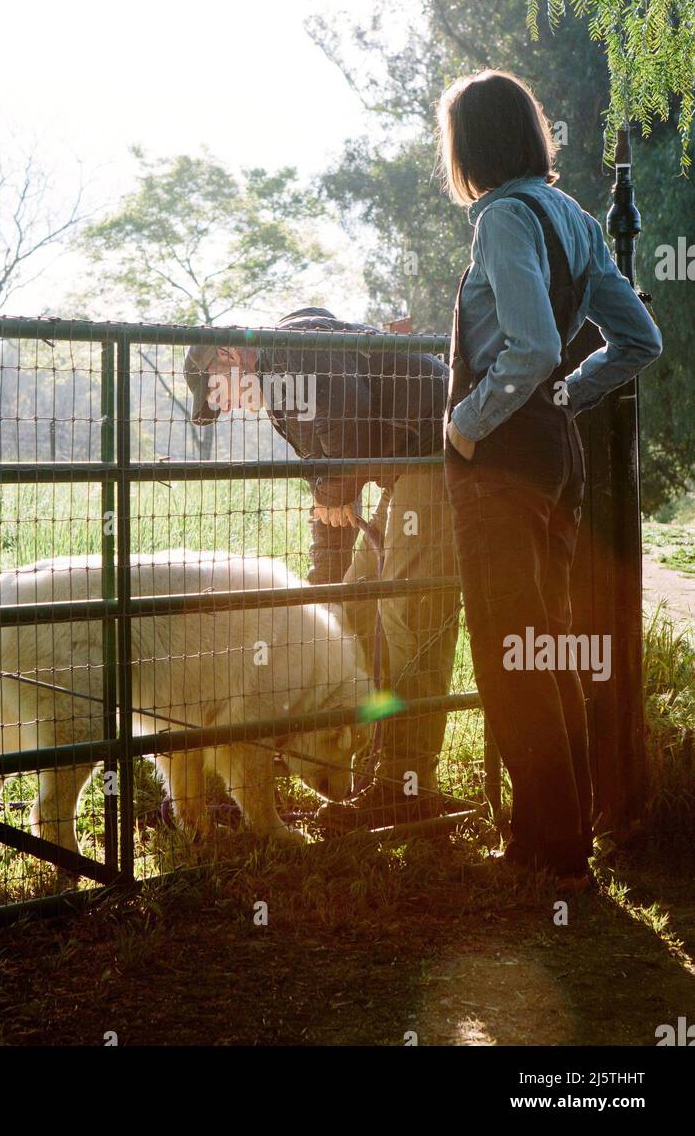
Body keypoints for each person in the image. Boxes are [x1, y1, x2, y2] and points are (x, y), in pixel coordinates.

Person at [439, 69, 662, 889]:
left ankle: (553, 855)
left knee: (511, 654)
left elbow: (528, 346)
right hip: (554, 455)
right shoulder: (571, 215)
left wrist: (466, 424)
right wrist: (572, 395)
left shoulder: (501, 217)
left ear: (473, 144)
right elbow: (639, 339)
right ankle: (556, 842)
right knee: (544, 646)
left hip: (499, 461)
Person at [183, 307, 461, 831]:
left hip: (437, 451)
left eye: (219, 394)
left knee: (411, 614)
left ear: (228, 355)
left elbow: (348, 437)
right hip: (404, 463)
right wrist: (320, 593)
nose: (229, 408)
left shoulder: (292, 355)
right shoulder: (279, 384)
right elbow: (329, 488)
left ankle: (407, 786)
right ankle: (348, 757)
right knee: (349, 611)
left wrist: (335, 493)